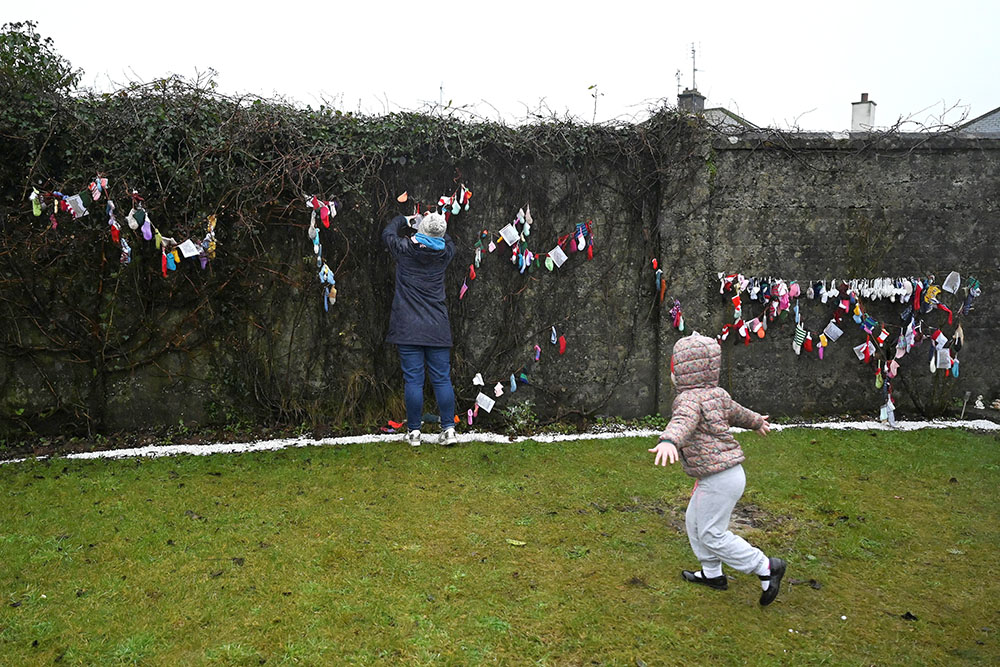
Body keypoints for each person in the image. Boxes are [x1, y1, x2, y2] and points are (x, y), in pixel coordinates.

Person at [648, 332, 786, 606]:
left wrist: (669, 440)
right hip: (724, 475)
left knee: (711, 533)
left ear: (683, 370)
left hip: (719, 478)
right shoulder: (717, 394)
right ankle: (712, 575)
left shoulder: (687, 400)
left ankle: (766, 567)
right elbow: (738, 412)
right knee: (695, 522)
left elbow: (683, 422)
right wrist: (757, 421)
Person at [382, 210, 458, 447]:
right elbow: (448, 239)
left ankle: (414, 432)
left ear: (420, 231)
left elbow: (387, 233)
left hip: (408, 327)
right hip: (437, 327)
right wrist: (432, 224)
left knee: (413, 380)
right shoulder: (445, 253)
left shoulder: (404, 250)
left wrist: (407, 220)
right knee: (442, 379)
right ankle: (449, 430)